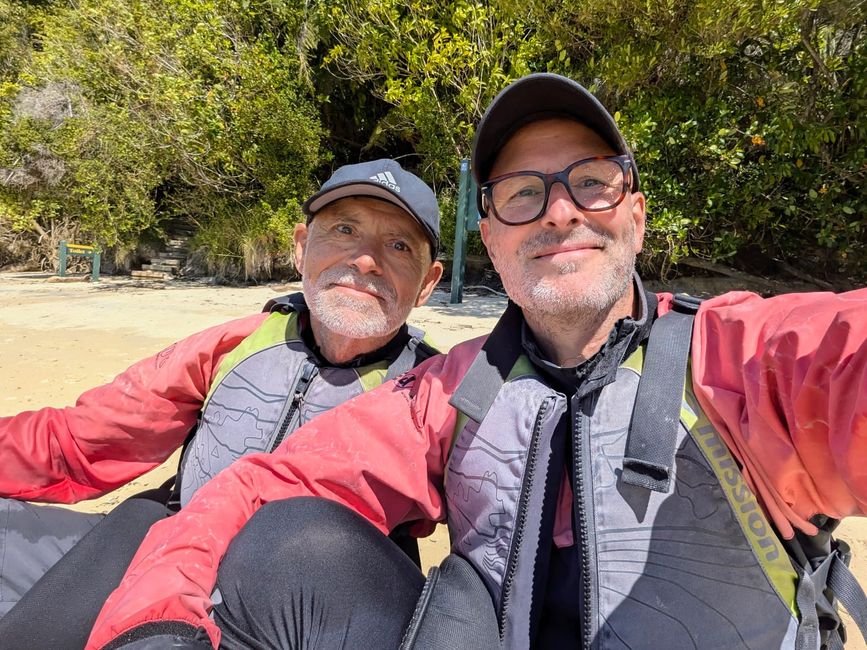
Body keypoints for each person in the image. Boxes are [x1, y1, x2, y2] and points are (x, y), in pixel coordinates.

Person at [88, 74, 867, 650]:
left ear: (635, 214)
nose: (560, 210)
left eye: (590, 184)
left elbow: (843, 361)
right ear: (489, 239)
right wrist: (155, 622)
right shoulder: (450, 389)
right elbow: (268, 485)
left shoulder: (742, 359)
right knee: (291, 542)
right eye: (522, 193)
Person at [0, 158, 444, 645]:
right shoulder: (236, 344)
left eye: (398, 245)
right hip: (168, 549)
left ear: (426, 283)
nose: (365, 260)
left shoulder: (435, 393)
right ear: (300, 247)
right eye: (344, 229)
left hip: (304, 605)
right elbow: (83, 438)